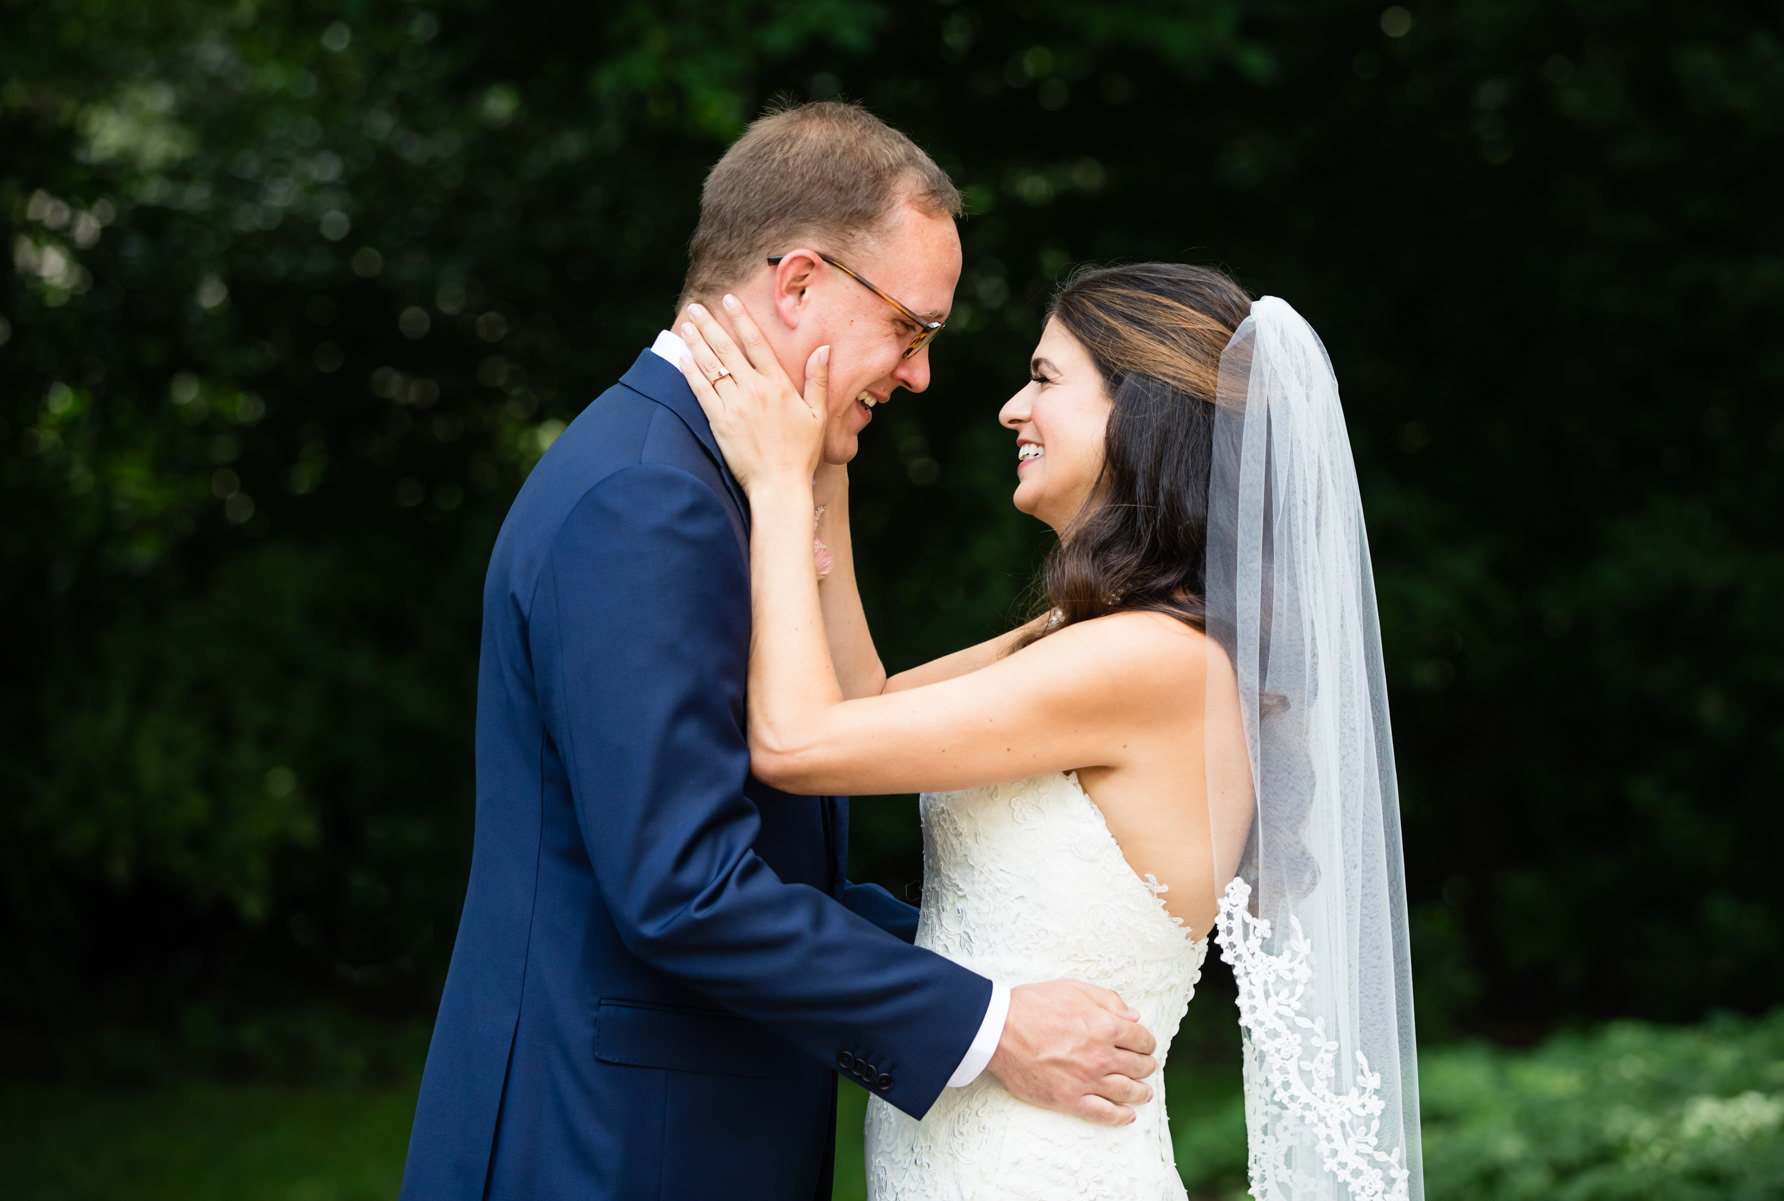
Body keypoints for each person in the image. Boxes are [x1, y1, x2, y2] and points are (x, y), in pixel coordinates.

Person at [397, 101, 1158, 1201]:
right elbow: (683, 887)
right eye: (912, 328)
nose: (919, 376)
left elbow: (776, 863)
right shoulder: (650, 498)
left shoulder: (709, 478)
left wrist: (1005, 963)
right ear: (797, 283)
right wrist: (992, 1027)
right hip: (612, 1149)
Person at [677, 261, 1424, 1199]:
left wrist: (778, 487)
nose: (1009, 408)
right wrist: (826, 460)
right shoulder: (1092, 638)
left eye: (1045, 377)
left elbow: (798, 743)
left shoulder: (1150, 661)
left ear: (1136, 414)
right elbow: (862, 706)